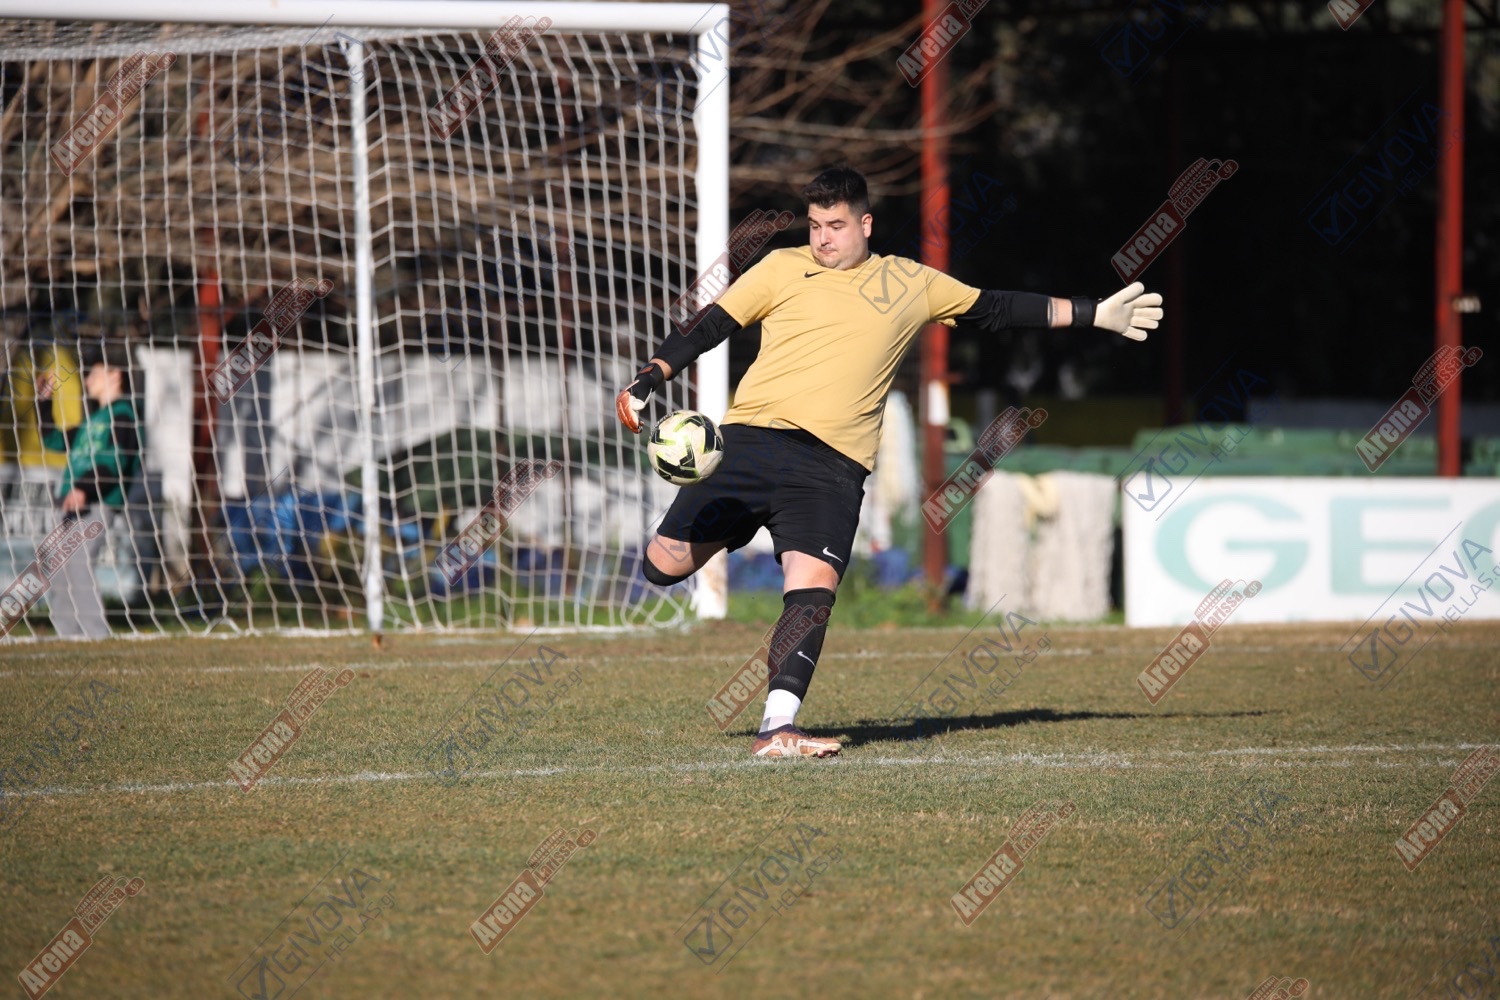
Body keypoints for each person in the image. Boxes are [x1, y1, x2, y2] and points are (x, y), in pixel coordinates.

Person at [615, 166, 1162, 759]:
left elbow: (995, 307)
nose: (823, 238)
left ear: (866, 223)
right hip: (750, 444)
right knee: (662, 568)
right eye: (815, 225)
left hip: (832, 467)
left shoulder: (909, 281)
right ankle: (739, 522)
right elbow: (710, 324)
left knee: (813, 589)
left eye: (835, 225)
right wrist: (652, 375)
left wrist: (1093, 312)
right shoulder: (780, 268)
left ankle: (778, 728)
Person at [35, 341, 141, 637]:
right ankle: (69, 635)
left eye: (94, 373)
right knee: (58, 564)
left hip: (95, 501)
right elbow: (53, 440)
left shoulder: (123, 415)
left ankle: (96, 634)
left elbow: (115, 460)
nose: (87, 380)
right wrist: (43, 402)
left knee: (79, 562)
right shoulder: (91, 421)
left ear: (115, 375)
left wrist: (84, 487)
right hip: (70, 501)